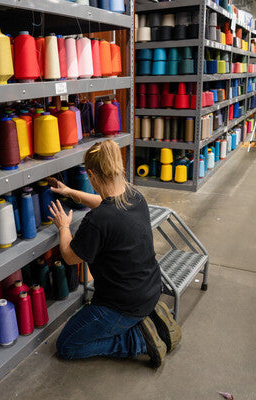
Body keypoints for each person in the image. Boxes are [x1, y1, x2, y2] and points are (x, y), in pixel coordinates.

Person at [47, 140, 181, 368]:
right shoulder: (134, 196)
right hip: (149, 290)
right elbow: (104, 202)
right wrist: (70, 192)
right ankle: (146, 319)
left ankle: (137, 341)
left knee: (67, 346)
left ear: (91, 175)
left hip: (121, 306)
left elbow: (70, 256)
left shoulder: (98, 221)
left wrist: (63, 227)